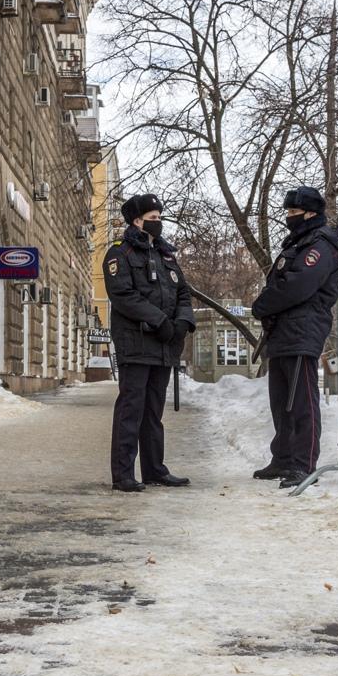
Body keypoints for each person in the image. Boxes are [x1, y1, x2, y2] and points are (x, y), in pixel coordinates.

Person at [250, 186, 338, 489]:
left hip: (303, 329)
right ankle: (283, 458)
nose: (289, 218)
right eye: (288, 212)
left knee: (302, 399)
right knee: (281, 401)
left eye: (294, 213)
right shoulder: (299, 243)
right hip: (283, 330)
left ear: (311, 214)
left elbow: (299, 284)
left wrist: (264, 304)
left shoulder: (322, 244)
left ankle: (303, 464)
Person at [103, 194, 195, 492]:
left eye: (159, 218)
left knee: (154, 410)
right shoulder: (120, 253)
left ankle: (155, 469)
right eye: (153, 219)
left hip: (164, 345)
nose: (158, 223)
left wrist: (182, 322)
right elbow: (124, 295)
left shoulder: (166, 255)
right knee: (132, 409)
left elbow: (183, 292)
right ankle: (124, 474)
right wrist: (160, 321)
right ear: (137, 221)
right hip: (136, 343)